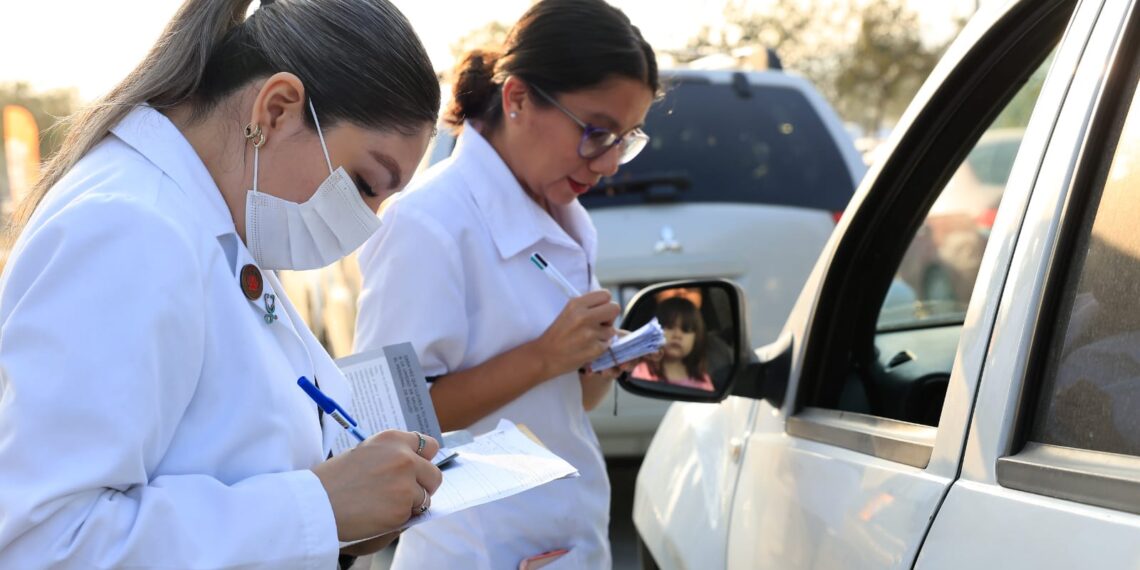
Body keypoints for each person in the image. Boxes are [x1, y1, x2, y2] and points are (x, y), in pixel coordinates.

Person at [0, 0, 444, 567]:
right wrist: (322, 507)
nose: (369, 219)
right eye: (365, 183)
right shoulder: (128, 228)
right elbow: (48, 543)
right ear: (278, 110)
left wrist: (350, 515)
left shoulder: (215, 221)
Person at [352, 1, 658, 567]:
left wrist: (596, 364)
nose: (611, 162)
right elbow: (384, 427)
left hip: (567, 542)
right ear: (517, 99)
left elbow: (569, 403)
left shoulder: (566, 217)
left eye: (626, 137)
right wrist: (544, 355)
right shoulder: (428, 224)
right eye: (598, 132)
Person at [632, 297, 715, 391]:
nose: (677, 335)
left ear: (697, 338)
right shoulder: (643, 372)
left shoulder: (702, 381)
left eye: (685, 329)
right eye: (670, 327)